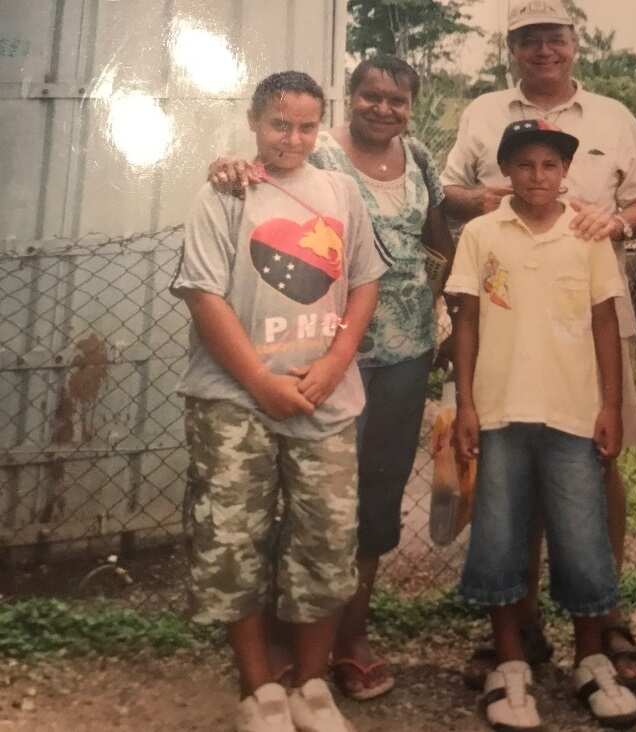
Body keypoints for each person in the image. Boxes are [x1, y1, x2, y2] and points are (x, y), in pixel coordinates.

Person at [207, 56, 455, 702]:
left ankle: (352, 636)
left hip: (404, 354)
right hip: (321, 357)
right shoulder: (320, 161)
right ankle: (286, 642)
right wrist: (228, 163)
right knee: (299, 504)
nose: (383, 109)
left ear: (411, 107)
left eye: (397, 100)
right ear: (348, 101)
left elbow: (439, 240)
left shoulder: (420, 158)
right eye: (370, 96)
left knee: (372, 499)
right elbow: (264, 167)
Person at [441, 0, 636, 690]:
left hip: (588, 319)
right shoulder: (483, 112)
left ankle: (604, 613)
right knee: (509, 472)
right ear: (512, 48)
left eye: (554, 37)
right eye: (528, 39)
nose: (543, 49)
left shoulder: (612, 117)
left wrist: (616, 223)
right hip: (510, 317)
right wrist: (495, 203)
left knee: (596, 458)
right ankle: (519, 624)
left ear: (576, 43)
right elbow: (449, 190)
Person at [173, 70, 386, 732]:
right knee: (233, 538)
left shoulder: (341, 192)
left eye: (304, 125)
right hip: (234, 400)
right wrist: (260, 382)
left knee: (324, 539)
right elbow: (203, 295)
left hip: (325, 397)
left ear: (321, 126)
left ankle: (313, 683)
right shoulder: (226, 193)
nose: (291, 138)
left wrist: (333, 364)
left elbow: (363, 284)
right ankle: (259, 686)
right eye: (277, 124)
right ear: (253, 122)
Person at [448, 118, 636, 731]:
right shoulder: (481, 233)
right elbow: (468, 323)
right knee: (501, 534)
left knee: (581, 536)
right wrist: (468, 406)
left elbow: (605, 324)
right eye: (525, 165)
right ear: (506, 172)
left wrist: (609, 406)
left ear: (565, 174)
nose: (538, 177)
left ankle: (592, 658)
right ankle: (510, 666)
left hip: (572, 413)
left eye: (550, 166)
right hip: (501, 411)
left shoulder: (587, 237)